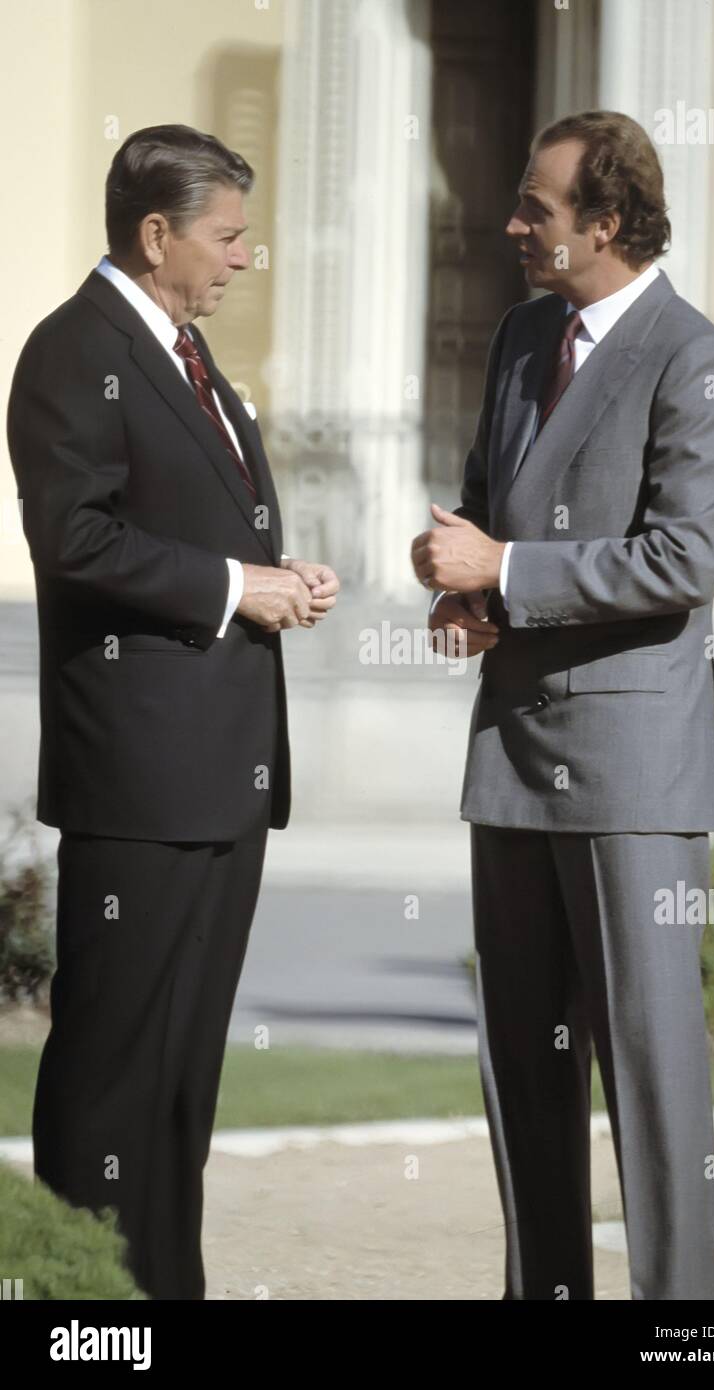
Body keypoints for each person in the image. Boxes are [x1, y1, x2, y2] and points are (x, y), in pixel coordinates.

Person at [411, 110, 714, 1300]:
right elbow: (480, 512)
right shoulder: (517, 338)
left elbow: (678, 562)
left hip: (635, 762)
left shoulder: (697, 359)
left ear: (604, 223)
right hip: (513, 750)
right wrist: (459, 584)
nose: (508, 225)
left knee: (653, 1079)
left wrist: (503, 572)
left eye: (535, 210)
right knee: (522, 1064)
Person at [6, 123, 340, 1300]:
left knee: (182, 1081)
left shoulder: (187, 353)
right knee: (110, 1076)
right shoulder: (72, 349)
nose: (246, 258)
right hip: (138, 781)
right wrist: (235, 587)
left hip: (221, 774)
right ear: (157, 235)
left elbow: (199, 527)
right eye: (228, 235)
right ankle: (83, 1314)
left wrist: (278, 579)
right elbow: (76, 536)